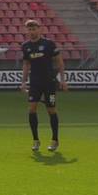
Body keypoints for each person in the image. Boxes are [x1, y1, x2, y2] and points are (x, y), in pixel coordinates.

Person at [20, 18, 66, 152]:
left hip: (49, 82)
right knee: (32, 109)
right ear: (27, 31)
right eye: (29, 29)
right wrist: (23, 82)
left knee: (51, 110)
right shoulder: (25, 46)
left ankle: (55, 140)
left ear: (40, 29)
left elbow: (60, 62)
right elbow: (26, 64)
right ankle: (35, 140)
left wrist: (63, 80)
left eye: (34, 29)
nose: (32, 31)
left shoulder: (49, 44)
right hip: (34, 83)